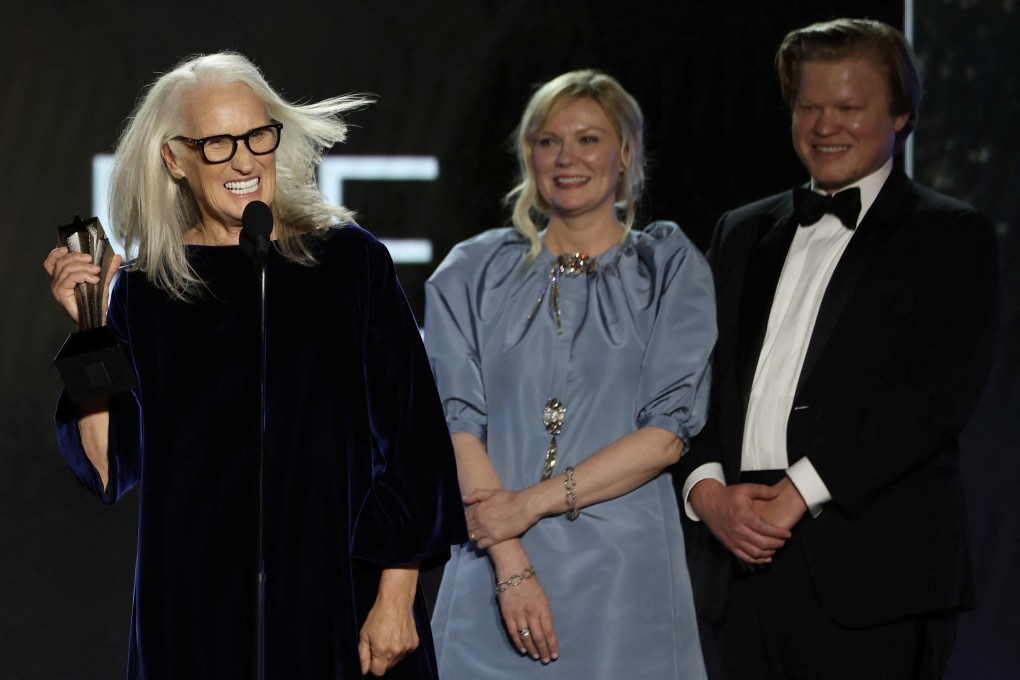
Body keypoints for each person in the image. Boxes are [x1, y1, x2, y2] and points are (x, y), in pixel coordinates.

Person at [43, 52, 466, 679]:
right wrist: (89, 329)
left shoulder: (349, 264)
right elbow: (110, 469)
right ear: (174, 159)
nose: (244, 160)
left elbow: (416, 443)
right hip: (191, 622)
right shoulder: (147, 290)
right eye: (216, 143)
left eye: (256, 135)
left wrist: (397, 594)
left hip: (341, 610)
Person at [677, 18, 999, 680]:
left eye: (849, 107)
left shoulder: (951, 236)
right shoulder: (741, 231)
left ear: (901, 114)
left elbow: (932, 399)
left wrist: (800, 488)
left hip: (874, 571)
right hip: (738, 568)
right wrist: (707, 492)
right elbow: (697, 377)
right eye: (809, 106)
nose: (826, 125)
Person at [424, 69, 715, 679]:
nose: (566, 158)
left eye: (588, 139)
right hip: (493, 563)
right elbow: (455, 424)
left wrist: (527, 504)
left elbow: (665, 436)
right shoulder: (471, 271)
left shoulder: (666, 266)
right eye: (548, 140)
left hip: (622, 577)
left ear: (625, 152)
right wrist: (510, 561)